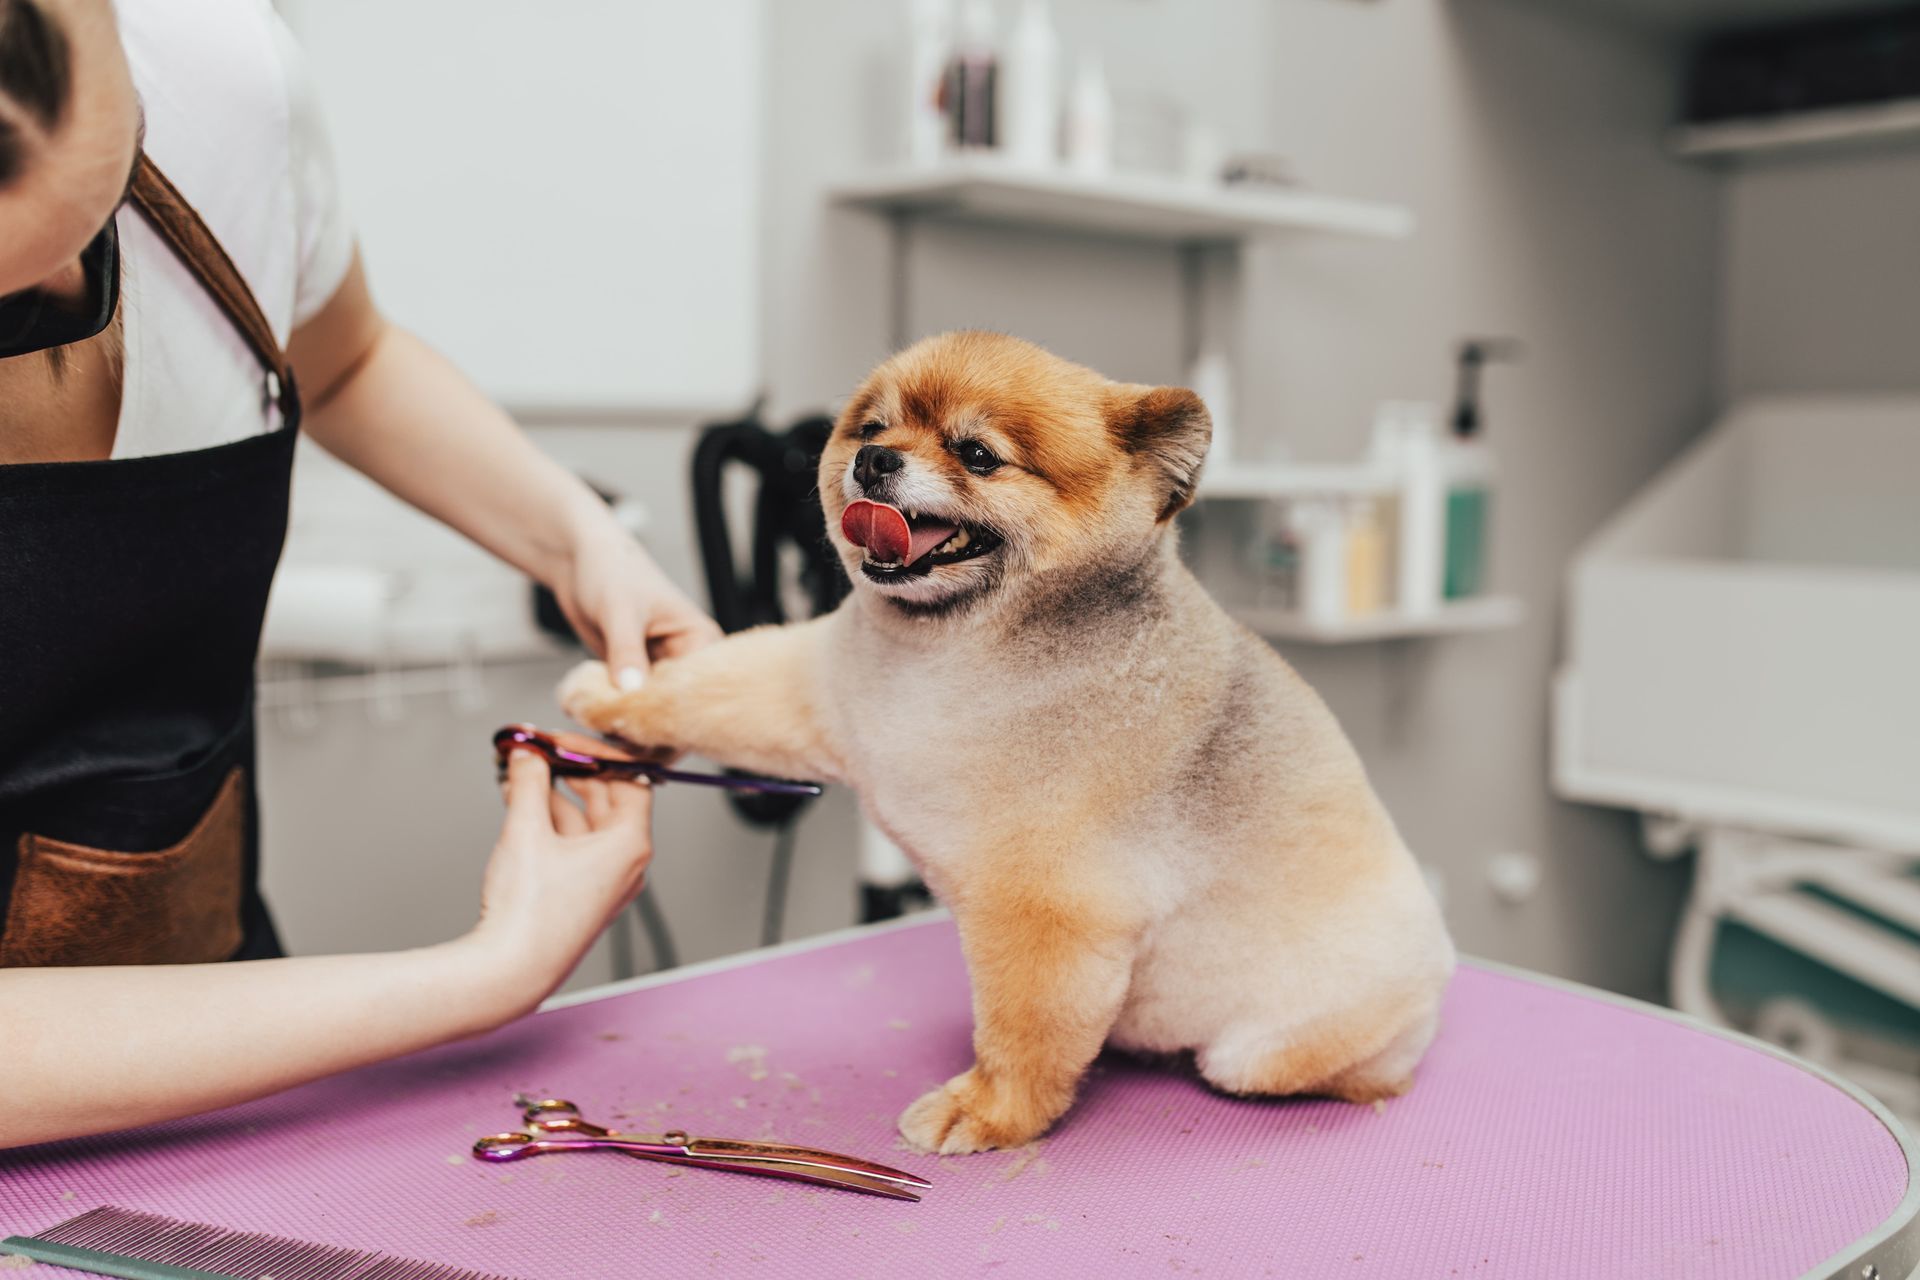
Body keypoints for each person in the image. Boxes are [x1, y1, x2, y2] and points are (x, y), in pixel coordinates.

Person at [0, 0, 719, 1149]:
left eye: (93, 222)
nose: (66, 314)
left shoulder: (218, 73)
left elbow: (345, 362)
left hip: (228, 1061)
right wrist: (487, 970)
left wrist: (579, 540)